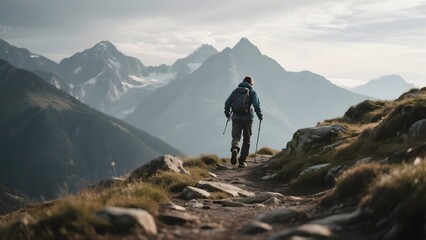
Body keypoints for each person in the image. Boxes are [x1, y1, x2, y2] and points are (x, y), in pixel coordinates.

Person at [224, 76, 262, 168]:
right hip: (248, 119)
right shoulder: (252, 92)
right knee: (247, 139)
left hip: (236, 117)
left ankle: (235, 149)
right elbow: (256, 105)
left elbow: (227, 102)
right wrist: (260, 115)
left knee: (236, 137)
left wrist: (227, 113)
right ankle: (242, 161)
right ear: (251, 83)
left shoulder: (235, 91)